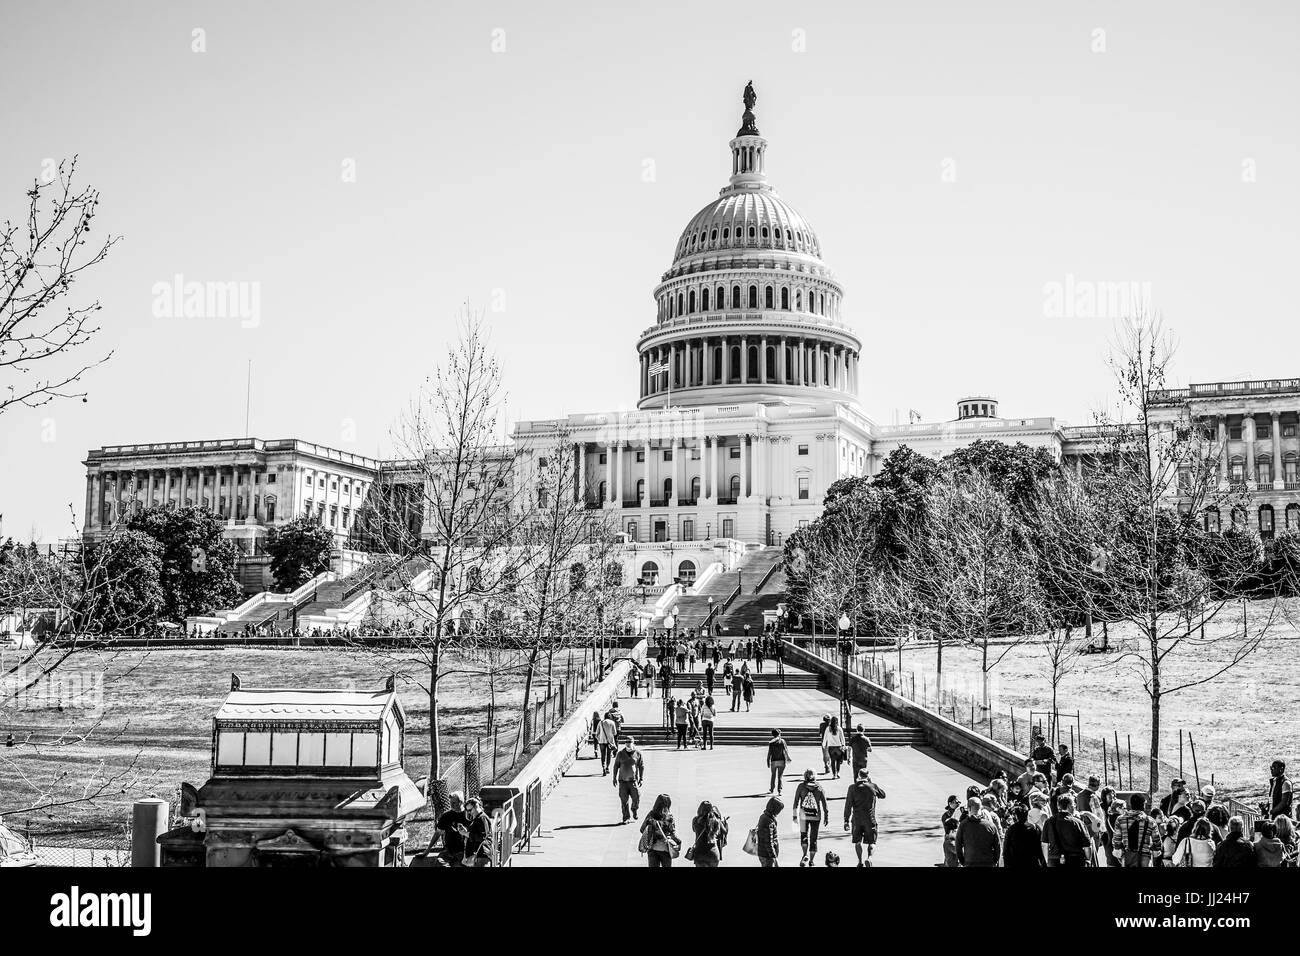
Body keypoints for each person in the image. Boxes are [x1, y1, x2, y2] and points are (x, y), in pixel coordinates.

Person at [843, 767, 887, 867]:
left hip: (856, 819)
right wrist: (871, 784)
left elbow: (848, 805)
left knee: (857, 842)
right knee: (872, 841)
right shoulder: (873, 786)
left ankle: (860, 861)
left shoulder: (852, 788)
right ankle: (869, 858)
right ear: (868, 776)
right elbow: (883, 795)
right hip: (869, 818)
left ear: (858, 776)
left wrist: (846, 820)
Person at [792, 768, 829, 866]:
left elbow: (796, 802)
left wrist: (794, 816)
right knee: (814, 838)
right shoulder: (819, 787)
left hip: (803, 816)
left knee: (804, 835)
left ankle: (805, 855)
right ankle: (811, 861)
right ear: (815, 776)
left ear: (805, 776)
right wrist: (826, 816)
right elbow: (824, 803)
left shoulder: (801, 786)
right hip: (816, 817)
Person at [1042, 793, 1091, 867]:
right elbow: (1087, 845)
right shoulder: (1078, 823)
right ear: (1069, 806)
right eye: (1073, 804)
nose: (1075, 806)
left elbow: (1044, 844)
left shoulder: (1049, 822)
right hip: (1075, 860)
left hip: (1054, 860)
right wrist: (1088, 860)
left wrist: (1047, 861)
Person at [1113, 793, 1158, 867]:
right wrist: (1156, 849)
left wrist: (1118, 849)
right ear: (1143, 805)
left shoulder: (1120, 819)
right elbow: (1156, 840)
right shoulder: (1150, 821)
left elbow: (1117, 840)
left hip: (1128, 856)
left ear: (1131, 804)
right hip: (1145, 857)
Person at [955, 796, 1001, 867]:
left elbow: (958, 845)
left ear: (969, 808)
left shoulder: (963, 825)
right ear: (981, 808)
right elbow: (997, 846)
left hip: (970, 862)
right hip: (988, 863)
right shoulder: (991, 825)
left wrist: (962, 861)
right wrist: (995, 861)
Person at [640, 793, 682, 867]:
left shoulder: (651, 814)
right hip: (665, 849)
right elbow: (672, 833)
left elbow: (642, 829)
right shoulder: (669, 817)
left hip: (652, 848)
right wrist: (678, 842)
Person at [611, 735, 645, 823]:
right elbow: (616, 766)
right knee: (624, 800)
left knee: (637, 797)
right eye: (626, 742)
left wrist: (641, 778)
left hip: (633, 781)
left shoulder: (638, 753)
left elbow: (641, 766)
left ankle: (634, 809)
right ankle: (626, 818)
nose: (628, 743)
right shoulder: (620, 753)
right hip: (622, 781)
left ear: (633, 743)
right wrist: (614, 778)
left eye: (630, 742)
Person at [1002, 803, 1045, 868]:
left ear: (1016, 816)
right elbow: (1041, 849)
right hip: (1033, 863)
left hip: (1016, 863)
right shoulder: (1035, 828)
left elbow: (1006, 850)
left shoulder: (1012, 829)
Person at [433, 790, 469, 865]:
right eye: (450, 803)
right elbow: (438, 833)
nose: (451, 805)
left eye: (454, 803)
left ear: (461, 802)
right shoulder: (446, 816)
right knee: (439, 862)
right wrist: (427, 851)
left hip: (465, 850)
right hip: (449, 850)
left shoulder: (469, 815)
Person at [690, 801, 728, 867]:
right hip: (712, 852)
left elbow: (694, 829)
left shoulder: (695, 820)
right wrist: (725, 824)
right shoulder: (716, 820)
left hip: (699, 852)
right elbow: (724, 831)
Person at [461, 797, 493, 867]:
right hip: (479, 855)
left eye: (470, 810)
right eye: (467, 811)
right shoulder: (478, 818)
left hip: (482, 855)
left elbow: (483, 837)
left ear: (476, 806)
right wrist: (466, 832)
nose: (469, 813)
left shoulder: (482, 818)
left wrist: (466, 834)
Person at [755, 796, 783, 867]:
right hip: (767, 855)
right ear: (775, 809)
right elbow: (768, 842)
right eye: (779, 810)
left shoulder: (764, 816)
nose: (779, 812)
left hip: (763, 852)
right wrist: (774, 858)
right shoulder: (768, 821)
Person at [766, 729, 791, 795]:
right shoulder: (782, 741)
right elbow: (785, 750)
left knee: (773, 775)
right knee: (780, 776)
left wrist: (768, 761)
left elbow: (769, 753)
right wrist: (788, 758)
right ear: (779, 734)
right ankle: (779, 790)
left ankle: (772, 789)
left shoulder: (771, 742)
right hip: (781, 760)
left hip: (773, 761)